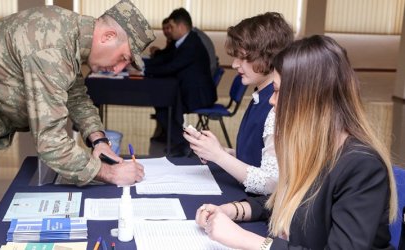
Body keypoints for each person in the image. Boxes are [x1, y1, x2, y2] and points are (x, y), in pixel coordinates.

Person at [0, 0, 155, 248]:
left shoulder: (69, 32)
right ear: (108, 36)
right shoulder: (50, 47)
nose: (118, 69)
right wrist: (111, 173)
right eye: (123, 58)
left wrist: (98, 139)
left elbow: (75, 94)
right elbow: (51, 144)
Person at [195, 35, 398, 249]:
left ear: (307, 99)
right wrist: (232, 210)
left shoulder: (361, 166)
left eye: (277, 91)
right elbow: (286, 202)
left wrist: (248, 241)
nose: (272, 101)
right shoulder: (314, 148)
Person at [184, 12, 293, 195]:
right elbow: (257, 158)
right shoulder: (261, 95)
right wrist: (219, 152)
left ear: (268, 57)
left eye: (243, 58)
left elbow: (271, 183)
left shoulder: (276, 106)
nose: (234, 65)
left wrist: (218, 155)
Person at [145, 7, 216, 157]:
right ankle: (176, 139)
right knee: (164, 101)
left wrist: (143, 70)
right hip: (189, 90)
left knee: (165, 105)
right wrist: (144, 66)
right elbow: (167, 59)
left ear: (181, 27)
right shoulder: (184, 41)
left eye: (171, 27)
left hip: (198, 96)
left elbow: (172, 66)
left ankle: (182, 143)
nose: (169, 30)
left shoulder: (192, 44)